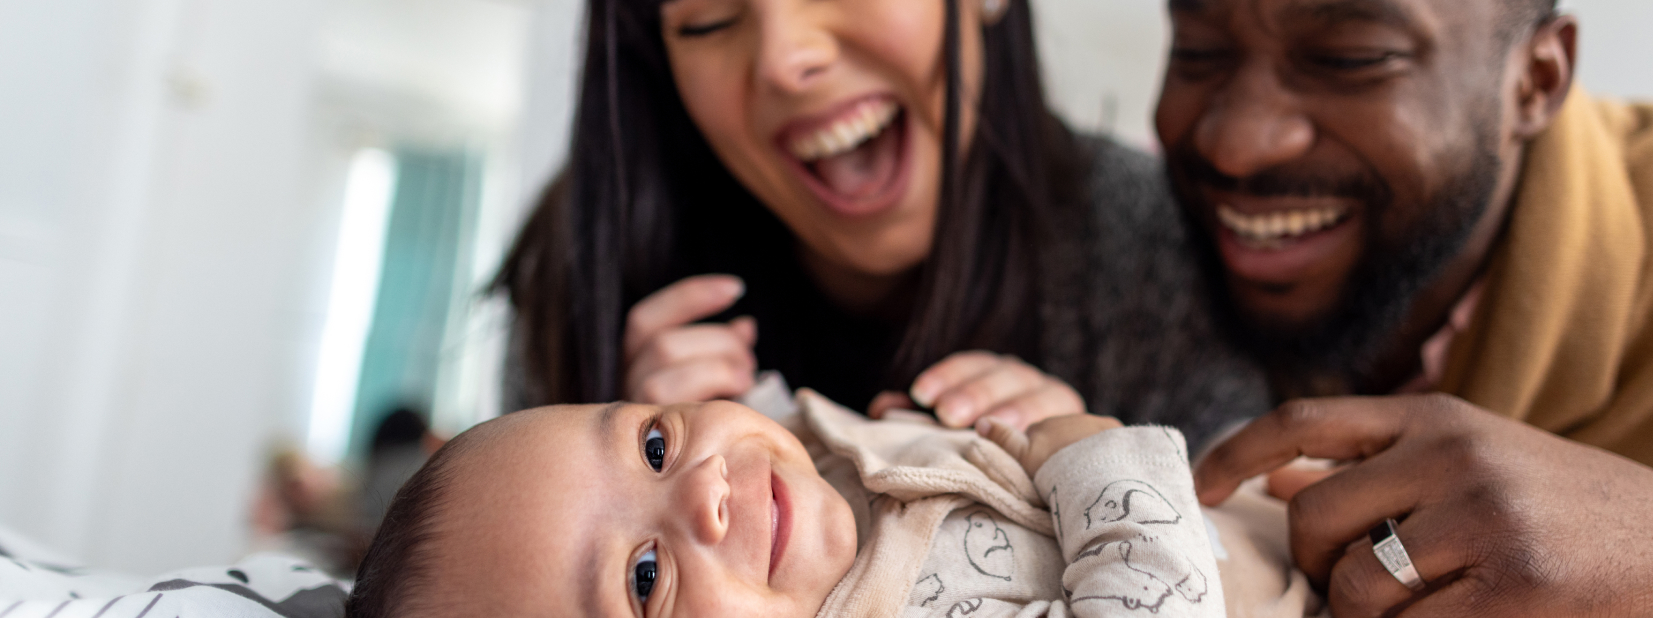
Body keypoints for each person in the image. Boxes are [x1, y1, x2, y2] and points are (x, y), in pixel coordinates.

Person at [1156, 0, 1653, 615]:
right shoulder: (1144, 238)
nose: (1237, 144)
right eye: (1197, 50)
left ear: (1537, 80)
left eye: (1351, 58)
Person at [493, 0, 1264, 441]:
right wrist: (615, 492)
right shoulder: (594, 267)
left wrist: (1111, 490)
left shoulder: (1164, 254)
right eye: (708, 18)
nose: (785, 59)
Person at [345, 394, 1314, 617]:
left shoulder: (810, 462)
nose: (702, 490)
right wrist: (1092, 460)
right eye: (644, 580)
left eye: (654, 446)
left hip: (1287, 508)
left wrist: (1007, 406)